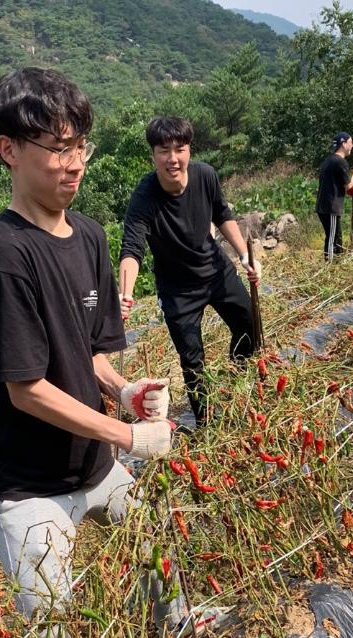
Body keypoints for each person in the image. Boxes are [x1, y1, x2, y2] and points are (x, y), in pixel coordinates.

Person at [0, 67, 178, 628]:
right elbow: (27, 390)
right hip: (25, 485)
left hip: (91, 460)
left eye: (81, 145)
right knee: (49, 632)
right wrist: (128, 436)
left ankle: (175, 627)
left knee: (158, 549)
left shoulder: (88, 236)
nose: (76, 162)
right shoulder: (4, 255)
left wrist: (123, 390)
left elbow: (87, 351)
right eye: (59, 149)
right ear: (9, 150)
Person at [118, 116, 260, 426]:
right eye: (163, 150)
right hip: (178, 290)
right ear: (153, 154)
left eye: (179, 149)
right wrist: (125, 293)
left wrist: (243, 255)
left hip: (216, 271)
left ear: (189, 150)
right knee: (192, 360)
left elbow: (222, 214)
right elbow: (132, 248)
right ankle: (206, 423)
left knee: (250, 325)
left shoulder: (205, 175)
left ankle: (237, 376)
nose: (172, 158)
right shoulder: (144, 197)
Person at [316, 132, 353, 261]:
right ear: (344, 144)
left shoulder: (329, 160)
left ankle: (337, 262)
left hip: (324, 205)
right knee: (333, 238)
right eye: (350, 142)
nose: (352, 146)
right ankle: (330, 265)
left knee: (337, 236)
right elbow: (347, 186)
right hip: (330, 206)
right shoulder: (340, 162)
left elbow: (336, 185)